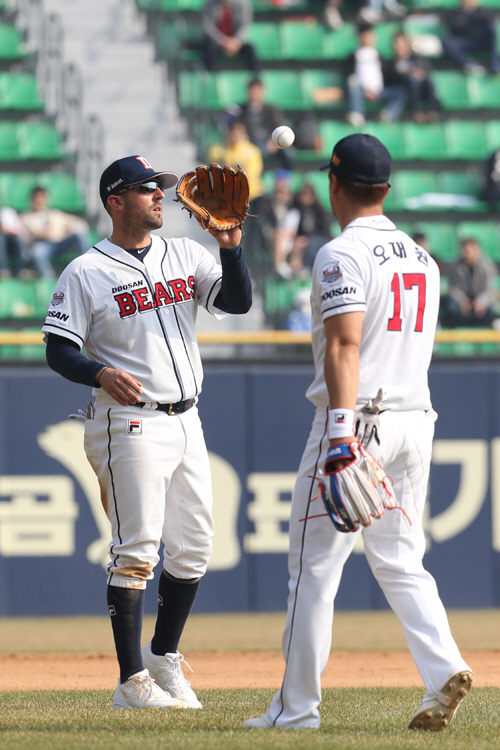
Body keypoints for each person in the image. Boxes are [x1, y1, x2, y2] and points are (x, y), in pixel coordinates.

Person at [243, 133, 473, 732]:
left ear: (334, 184)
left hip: (358, 421)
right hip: (415, 419)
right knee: (400, 558)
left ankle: (296, 711)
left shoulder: (339, 253)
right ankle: (443, 667)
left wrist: (342, 438)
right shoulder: (424, 258)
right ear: (388, 190)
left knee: (313, 568)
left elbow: (345, 346)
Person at [42, 155, 252, 710]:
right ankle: (131, 683)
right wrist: (99, 371)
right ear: (115, 201)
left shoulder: (184, 252)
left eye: (159, 187)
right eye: (144, 189)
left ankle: (163, 656)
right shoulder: (87, 271)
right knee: (136, 551)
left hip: (188, 417)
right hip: (128, 420)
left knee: (197, 549)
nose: (159, 196)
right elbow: (58, 348)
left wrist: (231, 247)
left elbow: (236, 301)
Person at [345, 23, 408, 126]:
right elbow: (348, 75)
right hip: (360, 92)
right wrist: (365, 91)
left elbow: (391, 76)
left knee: (401, 91)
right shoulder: (351, 57)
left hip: (379, 92)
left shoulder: (381, 57)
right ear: (359, 37)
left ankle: (388, 114)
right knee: (352, 82)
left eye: (369, 35)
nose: (367, 38)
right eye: (364, 35)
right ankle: (356, 113)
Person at [21, 186, 89, 278]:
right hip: (43, 245)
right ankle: (48, 279)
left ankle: (87, 269)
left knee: (79, 235)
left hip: (61, 243)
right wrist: (39, 234)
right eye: (37, 197)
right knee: (37, 251)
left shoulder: (55, 214)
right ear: (32, 199)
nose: (39, 200)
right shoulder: (26, 217)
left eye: (42, 197)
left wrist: (69, 230)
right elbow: (23, 237)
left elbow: (79, 224)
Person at [274, 182, 332, 278]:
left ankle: (307, 268)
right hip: (301, 240)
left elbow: (325, 231)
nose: (304, 197)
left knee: (310, 243)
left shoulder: (320, 210)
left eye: (307, 194)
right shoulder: (297, 210)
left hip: (319, 240)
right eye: (302, 194)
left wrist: (307, 238)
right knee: (298, 243)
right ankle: (293, 272)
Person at [237, 78, 293, 170]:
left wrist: (273, 142)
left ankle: (287, 174)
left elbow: (280, 125)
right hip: (253, 142)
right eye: (252, 90)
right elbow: (238, 129)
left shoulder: (271, 109)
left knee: (288, 151)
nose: (255, 93)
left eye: (257, 90)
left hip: (271, 140)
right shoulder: (241, 110)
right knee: (257, 153)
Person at [384, 32, 440, 123]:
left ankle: (431, 111)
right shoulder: (391, 63)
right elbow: (391, 78)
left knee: (428, 80)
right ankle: (415, 112)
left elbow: (427, 69)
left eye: (401, 43)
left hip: (422, 89)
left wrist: (420, 73)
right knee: (412, 80)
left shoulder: (415, 59)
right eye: (396, 43)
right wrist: (409, 74)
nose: (398, 46)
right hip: (405, 90)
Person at [445, 237, 496, 327]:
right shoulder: (453, 266)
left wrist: (481, 301)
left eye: (469, 250)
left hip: (480, 299)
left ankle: (482, 330)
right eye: (464, 250)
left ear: (477, 251)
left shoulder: (487, 266)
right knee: (452, 307)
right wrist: (462, 300)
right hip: (461, 300)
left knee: (490, 307)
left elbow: (489, 289)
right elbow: (452, 288)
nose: (466, 253)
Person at [442, 0, 500, 75]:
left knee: (494, 32)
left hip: (483, 41)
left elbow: (490, 28)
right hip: (467, 41)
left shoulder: (483, 12)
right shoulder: (455, 13)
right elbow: (454, 28)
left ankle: (495, 62)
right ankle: (469, 64)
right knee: (447, 42)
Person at [201, 0, 258, 72]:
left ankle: (255, 79)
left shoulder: (242, 3)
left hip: (235, 42)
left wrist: (236, 41)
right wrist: (223, 41)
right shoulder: (209, 3)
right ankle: (211, 76)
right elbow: (208, 27)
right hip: (216, 42)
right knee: (208, 47)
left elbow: (245, 25)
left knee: (250, 49)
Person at [0, 201, 29, 278]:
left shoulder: (8, 212)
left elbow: (19, 229)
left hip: (11, 243)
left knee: (17, 240)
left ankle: (21, 269)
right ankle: (3, 270)